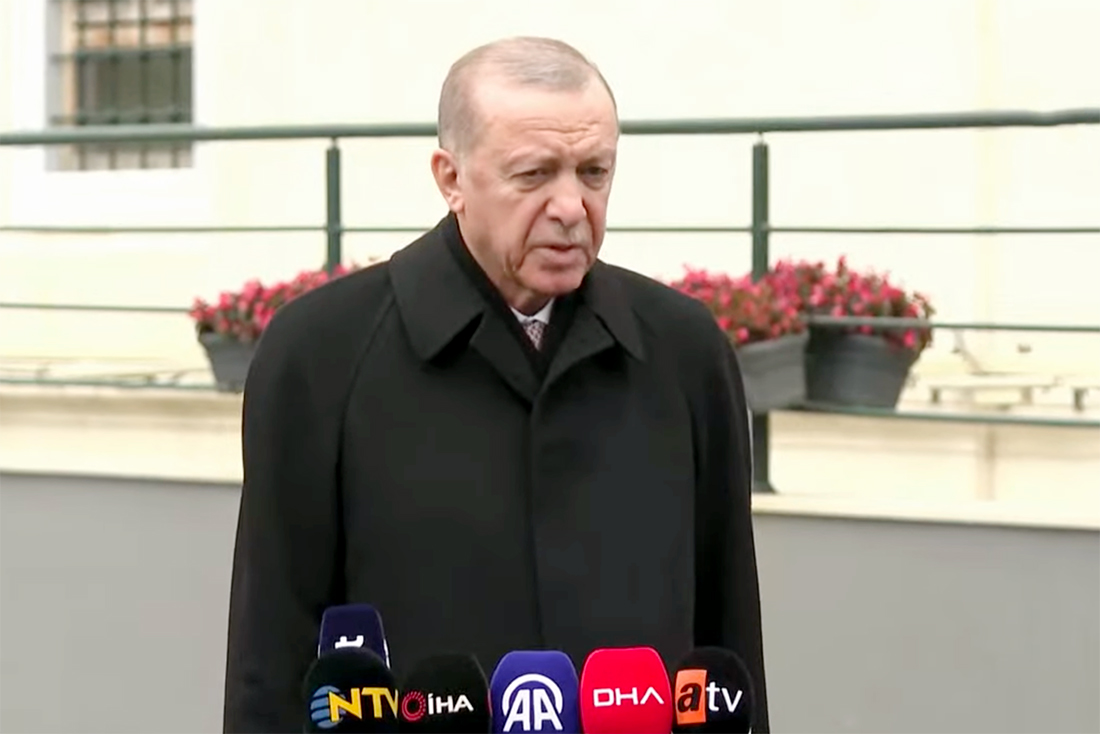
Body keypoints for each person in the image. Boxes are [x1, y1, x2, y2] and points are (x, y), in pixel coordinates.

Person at [222, 36, 769, 733]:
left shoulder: (685, 351)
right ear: (451, 178)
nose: (571, 206)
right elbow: (272, 654)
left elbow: (728, 638)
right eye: (534, 174)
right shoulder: (319, 354)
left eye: (594, 172)